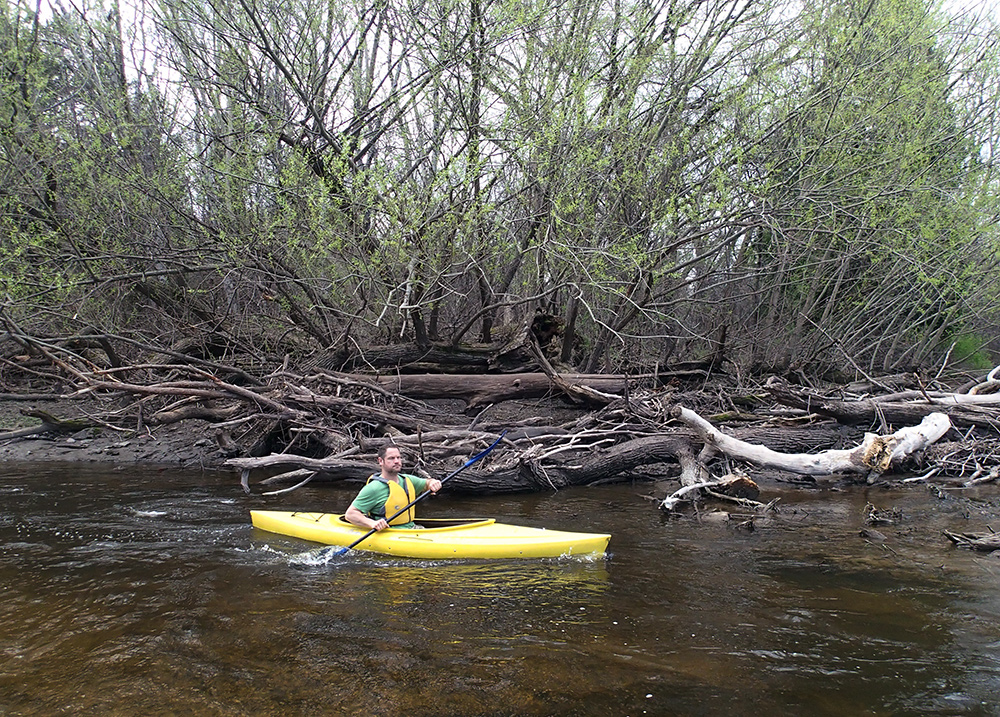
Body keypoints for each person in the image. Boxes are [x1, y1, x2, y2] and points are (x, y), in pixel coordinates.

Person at [344, 444, 442, 531]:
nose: (396, 461)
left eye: (398, 458)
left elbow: (427, 483)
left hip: (411, 528)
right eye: (391, 458)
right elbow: (350, 514)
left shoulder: (408, 480)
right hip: (389, 531)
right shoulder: (373, 488)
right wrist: (372, 523)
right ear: (380, 461)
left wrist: (433, 483)